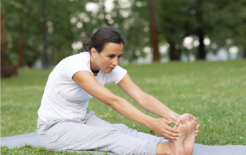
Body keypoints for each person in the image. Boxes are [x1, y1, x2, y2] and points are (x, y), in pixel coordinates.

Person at [37, 26, 200, 155]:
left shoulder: (109, 68)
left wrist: (177, 118)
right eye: (111, 56)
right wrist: (151, 122)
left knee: (120, 129)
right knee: (110, 137)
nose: (115, 62)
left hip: (82, 120)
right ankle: (166, 150)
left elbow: (142, 97)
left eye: (119, 56)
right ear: (94, 52)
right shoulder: (76, 67)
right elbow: (113, 101)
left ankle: (173, 142)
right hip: (53, 128)